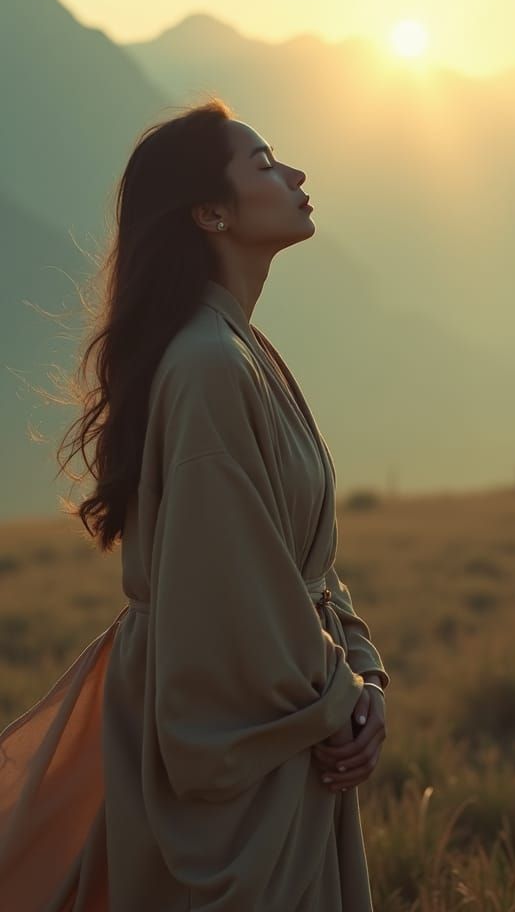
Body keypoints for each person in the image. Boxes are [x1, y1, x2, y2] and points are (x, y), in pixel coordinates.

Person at [0, 97, 390, 911]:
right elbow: (237, 602)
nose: (296, 174)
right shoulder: (210, 364)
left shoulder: (241, 350)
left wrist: (363, 673)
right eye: (263, 163)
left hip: (289, 717)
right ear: (210, 213)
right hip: (241, 748)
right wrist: (343, 699)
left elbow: (300, 568)